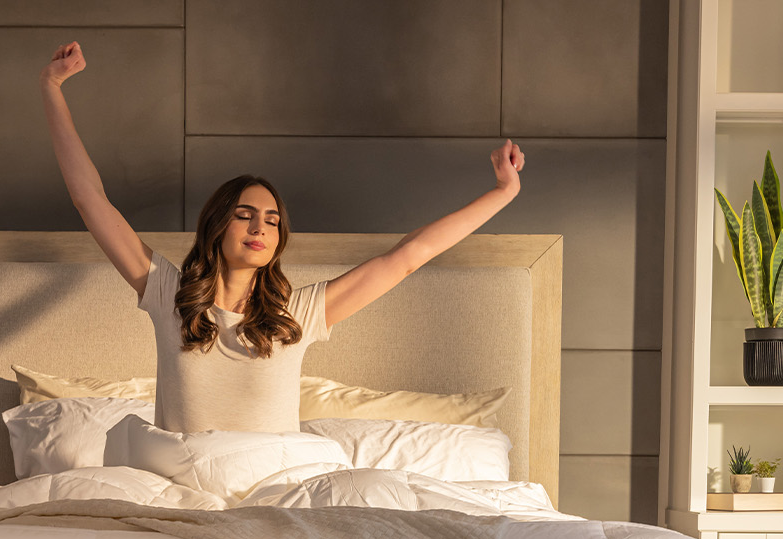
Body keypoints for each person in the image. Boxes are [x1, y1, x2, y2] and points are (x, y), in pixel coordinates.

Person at [40, 40, 524, 435]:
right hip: (185, 487)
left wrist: (503, 192)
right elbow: (91, 200)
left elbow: (408, 256)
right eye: (245, 215)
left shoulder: (298, 315)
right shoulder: (169, 296)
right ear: (216, 226)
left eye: (271, 220)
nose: (259, 227)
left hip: (274, 492)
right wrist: (52, 88)